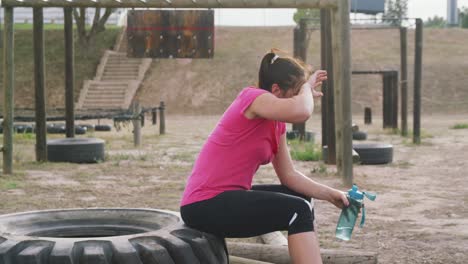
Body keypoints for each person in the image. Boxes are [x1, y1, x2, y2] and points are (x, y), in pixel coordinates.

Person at [180, 49, 349, 264]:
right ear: (276, 90)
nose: (299, 96)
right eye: (295, 91)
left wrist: (330, 193)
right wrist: (306, 89)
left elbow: (289, 176)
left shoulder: (276, 124)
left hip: (227, 198)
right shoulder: (253, 98)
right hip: (204, 203)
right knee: (298, 210)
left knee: (301, 200)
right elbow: (303, 111)